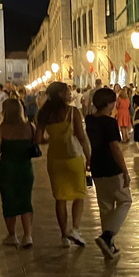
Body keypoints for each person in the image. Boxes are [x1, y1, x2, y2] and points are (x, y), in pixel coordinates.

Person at [35, 81, 91, 247]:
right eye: (67, 91)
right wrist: (89, 156)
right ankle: (75, 228)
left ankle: (63, 235)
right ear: (60, 94)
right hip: (73, 158)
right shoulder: (73, 112)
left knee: (60, 198)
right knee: (79, 195)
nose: (70, 94)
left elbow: (38, 139)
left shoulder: (44, 113)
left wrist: (52, 138)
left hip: (55, 159)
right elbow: (81, 136)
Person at [87, 87, 131, 260]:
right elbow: (115, 148)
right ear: (108, 103)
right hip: (111, 167)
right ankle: (107, 237)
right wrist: (125, 171)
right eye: (113, 102)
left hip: (97, 166)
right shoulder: (109, 123)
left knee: (105, 206)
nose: (114, 105)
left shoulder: (89, 119)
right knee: (125, 200)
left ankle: (109, 246)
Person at [0, 98, 35, 248]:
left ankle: (12, 235)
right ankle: (28, 235)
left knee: (9, 200)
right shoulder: (29, 127)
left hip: (7, 168)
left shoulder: (1, 129)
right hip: (25, 168)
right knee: (25, 200)